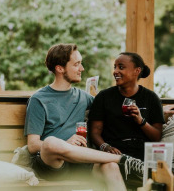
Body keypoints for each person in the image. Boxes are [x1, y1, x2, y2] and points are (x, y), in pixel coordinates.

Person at [24, 44, 139, 191]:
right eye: (77, 64)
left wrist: (159, 110)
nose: (82, 68)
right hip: (53, 165)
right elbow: (33, 145)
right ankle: (124, 160)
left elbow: (114, 110)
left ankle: (122, 162)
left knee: (110, 166)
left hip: (81, 163)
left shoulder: (84, 97)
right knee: (51, 143)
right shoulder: (39, 99)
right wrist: (65, 143)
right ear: (60, 68)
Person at [88, 52, 174, 190]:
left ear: (136, 71)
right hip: (114, 155)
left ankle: (142, 176)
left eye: (121, 67)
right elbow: (95, 132)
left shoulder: (151, 98)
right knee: (112, 167)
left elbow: (156, 137)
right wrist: (106, 147)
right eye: (115, 67)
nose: (115, 71)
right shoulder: (104, 97)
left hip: (141, 158)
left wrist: (140, 120)